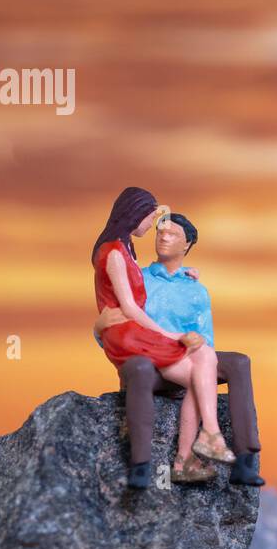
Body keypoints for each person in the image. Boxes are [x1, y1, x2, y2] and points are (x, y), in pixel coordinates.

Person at [95, 210, 265, 490]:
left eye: (173, 234)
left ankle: (245, 461)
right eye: (160, 232)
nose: (163, 237)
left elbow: (205, 340)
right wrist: (98, 328)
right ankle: (140, 467)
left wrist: (197, 348)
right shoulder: (138, 276)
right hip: (150, 363)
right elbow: (114, 323)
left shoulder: (196, 289)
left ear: (186, 245)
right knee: (143, 367)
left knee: (237, 362)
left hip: (187, 361)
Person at [91, 188, 224, 487]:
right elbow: (128, 308)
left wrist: (184, 272)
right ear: (135, 215)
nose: (153, 227)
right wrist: (170, 334)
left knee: (203, 363)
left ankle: (199, 446)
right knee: (199, 373)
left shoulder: (125, 250)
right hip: (127, 334)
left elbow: (147, 280)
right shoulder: (113, 251)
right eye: (151, 220)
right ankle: (190, 453)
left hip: (133, 331)